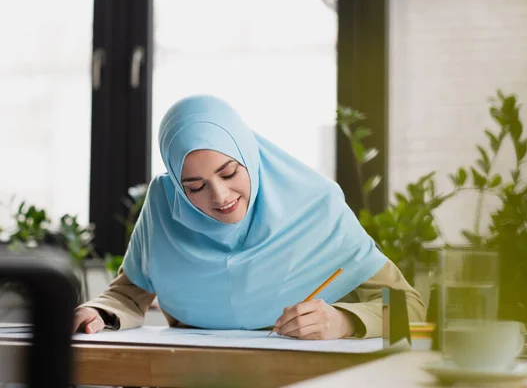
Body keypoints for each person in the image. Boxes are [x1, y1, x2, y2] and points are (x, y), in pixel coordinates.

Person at [73, 95, 425, 340]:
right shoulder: (165, 207)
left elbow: (410, 309)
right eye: (195, 187)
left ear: (249, 156)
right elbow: (127, 295)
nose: (221, 197)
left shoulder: (316, 206)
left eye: (229, 173)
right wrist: (97, 315)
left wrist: (344, 321)